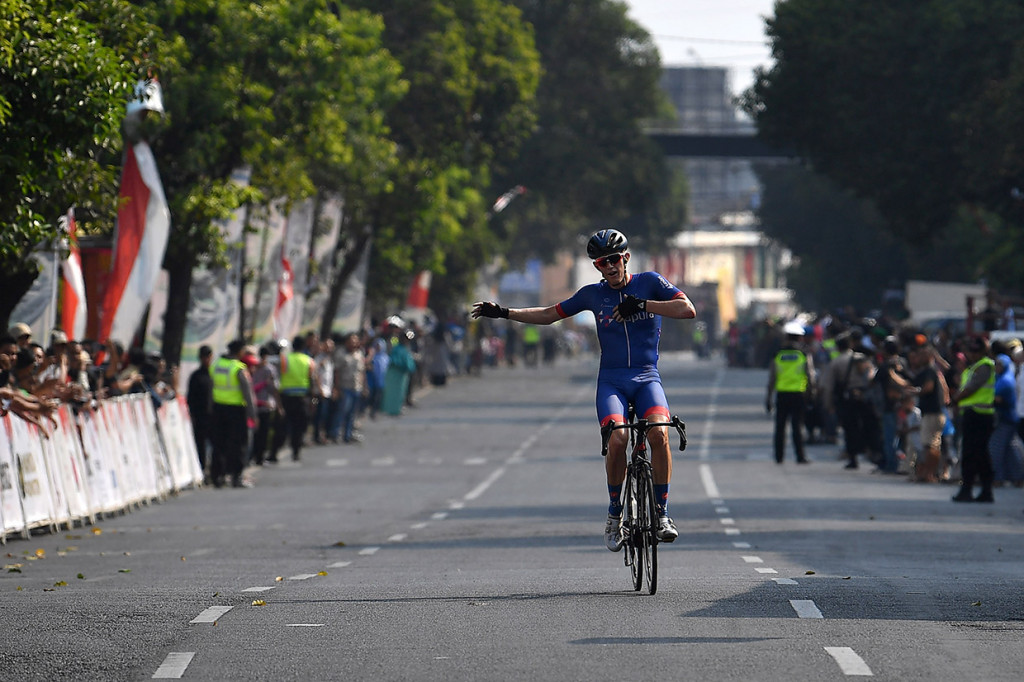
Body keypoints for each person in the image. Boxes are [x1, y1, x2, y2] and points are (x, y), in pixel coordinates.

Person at [472, 228, 696, 549]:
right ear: (597, 267)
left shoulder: (650, 282)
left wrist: (643, 305)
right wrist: (505, 313)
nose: (610, 267)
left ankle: (662, 514)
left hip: (647, 378)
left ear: (626, 258)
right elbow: (550, 314)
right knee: (618, 439)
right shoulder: (593, 294)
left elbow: (687, 309)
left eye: (614, 259)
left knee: (659, 434)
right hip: (612, 382)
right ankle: (615, 514)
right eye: (602, 263)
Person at [949, 336, 995, 503]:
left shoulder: (984, 366)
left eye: (976, 351)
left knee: (972, 454)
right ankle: (985, 491)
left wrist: (954, 399)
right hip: (973, 414)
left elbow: (971, 388)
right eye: (971, 350)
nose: (972, 354)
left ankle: (967, 490)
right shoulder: (974, 367)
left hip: (979, 415)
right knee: (980, 454)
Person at [209, 339, 257, 488]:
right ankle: (236, 477)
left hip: (218, 409)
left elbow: (211, 388)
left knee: (219, 444)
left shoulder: (216, 365)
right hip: (236, 411)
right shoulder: (238, 368)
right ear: (240, 351)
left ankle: (217, 477)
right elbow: (248, 394)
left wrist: (210, 409)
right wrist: (253, 415)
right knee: (238, 444)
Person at [765, 321, 814, 464]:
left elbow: (772, 378)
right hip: (799, 394)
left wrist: (768, 397)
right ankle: (800, 456)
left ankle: (779, 456)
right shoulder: (803, 354)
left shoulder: (778, 354)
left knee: (780, 427)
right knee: (797, 427)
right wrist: (812, 393)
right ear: (799, 337)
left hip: (782, 394)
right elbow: (810, 375)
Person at [278, 335, 317, 462]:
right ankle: (296, 452)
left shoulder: (285, 359)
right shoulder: (309, 361)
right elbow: (311, 380)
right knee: (298, 427)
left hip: (286, 397)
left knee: (283, 425)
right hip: (302, 398)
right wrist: (313, 399)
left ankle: (275, 451)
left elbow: (279, 377)